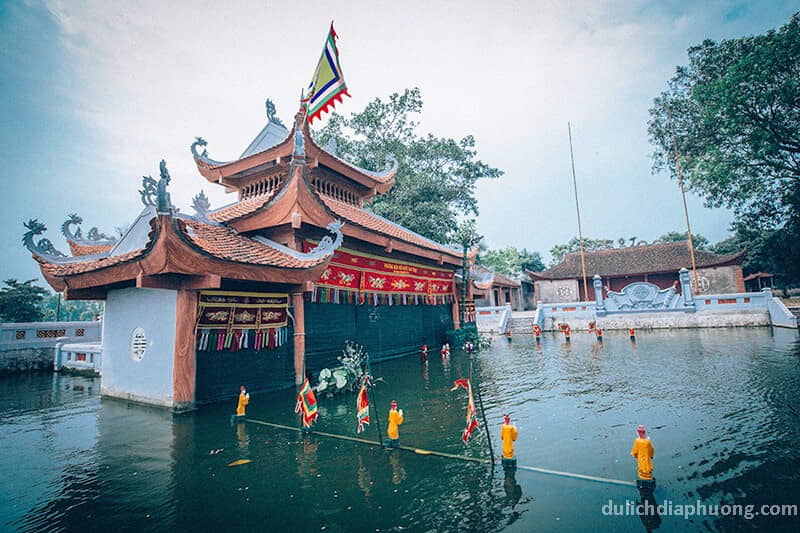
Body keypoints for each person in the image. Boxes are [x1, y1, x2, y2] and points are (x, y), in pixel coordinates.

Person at [631, 424, 656, 493]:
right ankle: (649, 484)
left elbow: (634, 452)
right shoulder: (648, 441)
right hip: (647, 460)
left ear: (638, 433)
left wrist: (635, 456)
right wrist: (651, 456)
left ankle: (642, 485)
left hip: (641, 460)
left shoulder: (637, 441)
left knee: (641, 472)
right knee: (648, 471)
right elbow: (651, 450)